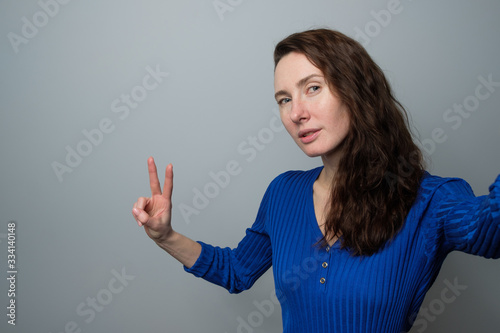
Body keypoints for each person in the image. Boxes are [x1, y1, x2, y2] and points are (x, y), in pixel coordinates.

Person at [131, 29, 500, 332]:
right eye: (283, 99)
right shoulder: (283, 192)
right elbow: (236, 271)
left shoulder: (430, 199)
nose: (296, 113)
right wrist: (166, 236)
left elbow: (492, 230)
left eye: (312, 88)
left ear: (356, 92)